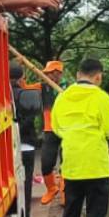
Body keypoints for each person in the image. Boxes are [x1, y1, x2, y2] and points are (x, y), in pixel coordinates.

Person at [50, 58, 109, 217]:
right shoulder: (103, 98)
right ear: (98, 76)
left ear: (78, 74)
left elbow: (57, 128)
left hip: (71, 162)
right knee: (96, 214)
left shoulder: (62, 97)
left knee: (71, 212)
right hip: (95, 163)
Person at [10, 63, 42, 217]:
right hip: (25, 145)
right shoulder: (27, 95)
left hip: (7, 147)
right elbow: (31, 120)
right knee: (26, 181)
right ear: (21, 78)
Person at [39, 60, 65, 205]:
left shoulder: (68, 88)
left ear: (58, 73)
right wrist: (21, 70)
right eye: (47, 73)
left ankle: (64, 192)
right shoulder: (42, 87)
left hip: (66, 129)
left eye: (50, 73)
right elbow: (24, 87)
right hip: (49, 129)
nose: (48, 75)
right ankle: (51, 188)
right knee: (46, 162)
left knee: (66, 162)